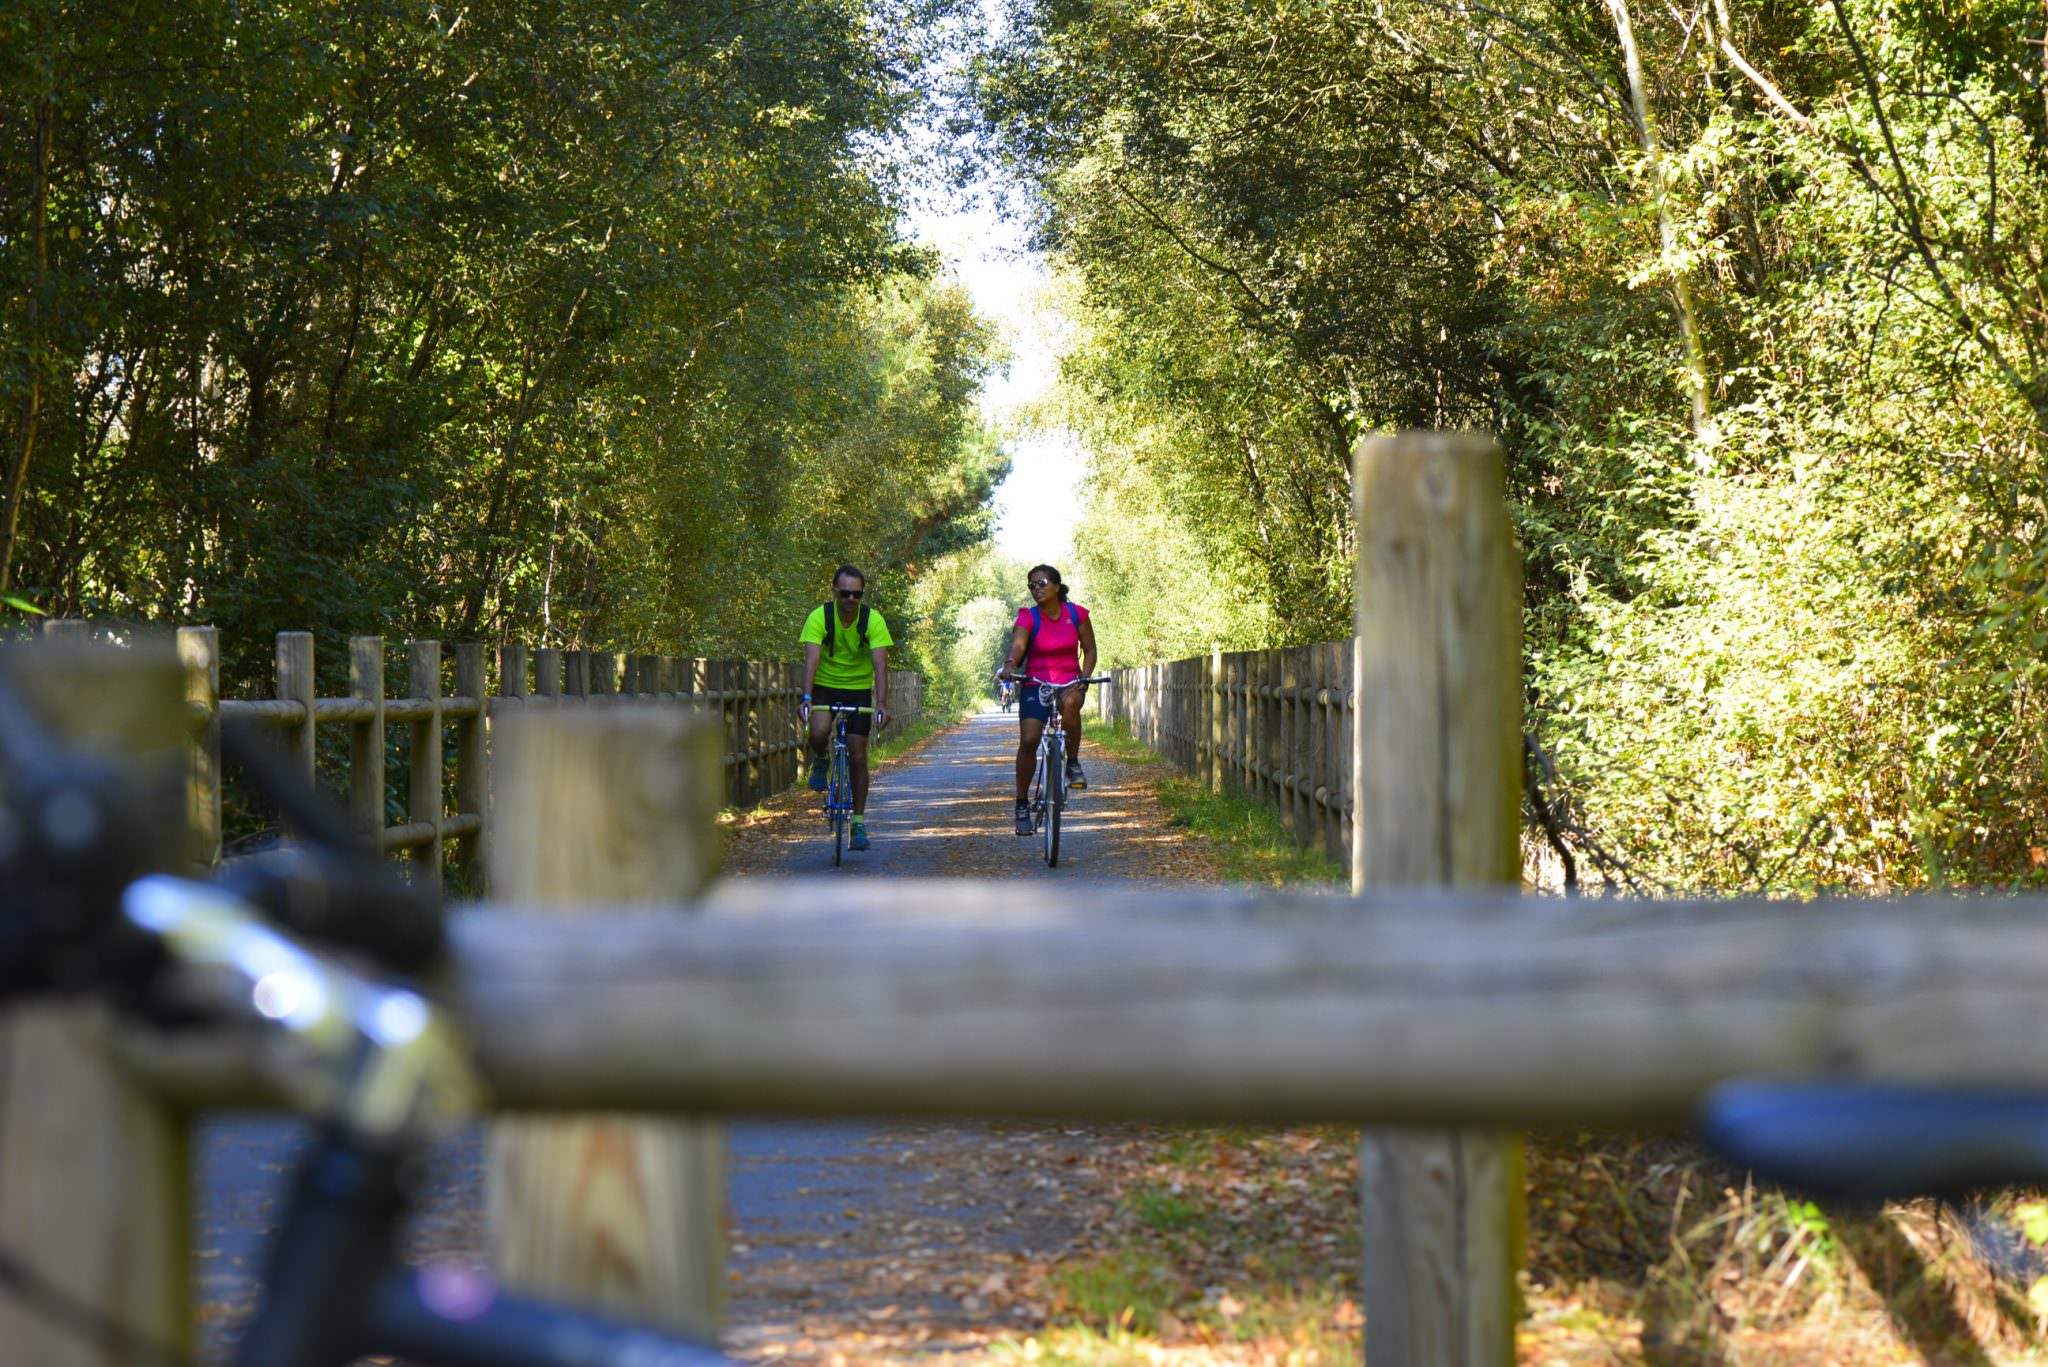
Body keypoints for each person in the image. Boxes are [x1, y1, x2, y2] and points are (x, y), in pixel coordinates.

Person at [997, 564, 1097, 836]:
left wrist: (1084, 678)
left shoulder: (1076, 614)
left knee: (1071, 705)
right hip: (1036, 682)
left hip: (1069, 681)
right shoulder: (1028, 617)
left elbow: (1089, 650)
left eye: (1041, 583)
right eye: (1031, 585)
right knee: (1029, 740)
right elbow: (1018, 644)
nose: (1036, 589)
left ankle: (1073, 763)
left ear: (1056, 586)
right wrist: (1011, 663)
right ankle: (1021, 804)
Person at [798, 564, 892, 851]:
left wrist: (882, 704)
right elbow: (812, 660)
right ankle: (822, 758)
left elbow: (880, 664)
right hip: (826, 685)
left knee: (859, 755)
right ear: (834, 592)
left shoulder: (872, 620)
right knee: (819, 731)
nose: (851, 599)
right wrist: (806, 697)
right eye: (845, 593)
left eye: (857, 594)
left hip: (857, 690)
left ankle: (859, 822)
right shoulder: (819, 617)